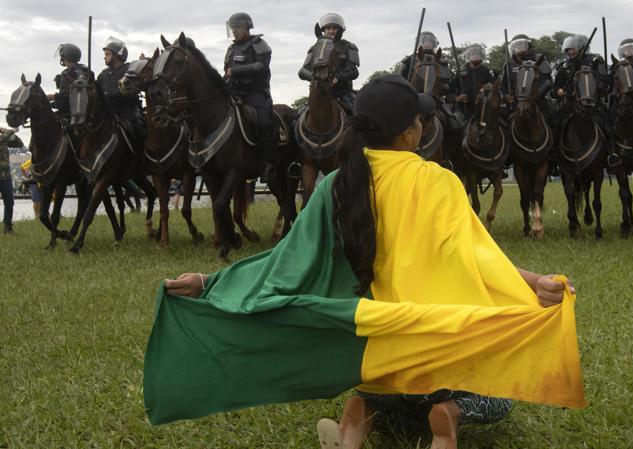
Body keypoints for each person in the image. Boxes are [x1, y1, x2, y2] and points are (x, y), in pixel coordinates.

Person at [146, 75, 585, 448]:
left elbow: (283, 261)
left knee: (377, 388)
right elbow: (477, 259)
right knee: (498, 396)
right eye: (419, 119)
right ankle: (448, 416)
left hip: (375, 358)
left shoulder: (335, 184)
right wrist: (533, 285)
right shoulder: (438, 181)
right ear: (410, 133)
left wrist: (211, 282)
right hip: (441, 350)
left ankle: (356, 418)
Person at [224, 12, 277, 181]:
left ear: (247, 27)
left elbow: (261, 66)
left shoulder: (259, 43)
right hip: (234, 91)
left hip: (255, 93)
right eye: (233, 28)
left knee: (264, 121)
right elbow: (227, 71)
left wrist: (237, 71)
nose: (235, 31)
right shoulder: (231, 49)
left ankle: (268, 163)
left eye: (238, 27)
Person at [552, 34, 619, 166]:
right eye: (567, 50)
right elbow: (555, 87)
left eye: (572, 49)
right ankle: (554, 153)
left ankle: (612, 154)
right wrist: (558, 91)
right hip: (571, 103)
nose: (569, 52)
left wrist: (597, 87)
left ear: (580, 48)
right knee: (555, 121)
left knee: (607, 123)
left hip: (592, 103)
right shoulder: (564, 66)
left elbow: (604, 79)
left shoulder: (595, 60)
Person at [298, 13, 360, 115]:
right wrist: (318, 78)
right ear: (323, 30)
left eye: (334, 28)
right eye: (328, 28)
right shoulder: (315, 48)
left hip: (343, 93)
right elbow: (302, 71)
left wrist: (337, 78)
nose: (331, 31)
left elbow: (354, 72)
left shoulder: (349, 46)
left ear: (340, 30)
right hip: (319, 93)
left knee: (361, 118)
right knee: (297, 118)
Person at [96, 36, 148, 153]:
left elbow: (131, 89)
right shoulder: (102, 75)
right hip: (107, 113)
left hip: (126, 112)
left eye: (108, 54)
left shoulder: (129, 69)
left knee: (141, 130)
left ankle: (144, 158)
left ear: (117, 55)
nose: (105, 56)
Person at [47, 43, 92, 123]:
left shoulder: (81, 71)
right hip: (63, 112)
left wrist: (55, 96)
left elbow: (79, 93)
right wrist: (49, 104)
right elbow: (64, 100)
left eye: (62, 56)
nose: (61, 58)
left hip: (75, 115)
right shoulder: (65, 72)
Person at [450, 44, 494, 121]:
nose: (475, 56)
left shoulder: (486, 71)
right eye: (473, 54)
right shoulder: (460, 72)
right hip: (463, 110)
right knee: (453, 125)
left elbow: (494, 88)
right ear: (468, 56)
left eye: (477, 54)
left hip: (482, 109)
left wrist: (489, 87)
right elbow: (449, 91)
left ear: (481, 55)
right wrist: (457, 98)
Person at [1, 127, 24, 234]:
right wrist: (11, 131)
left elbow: (19, 144)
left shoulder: (4, 141)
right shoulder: (2, 140)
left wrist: (12, 135)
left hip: (5, 177)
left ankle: (8, 227)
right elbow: (3, 139)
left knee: (9, 202)